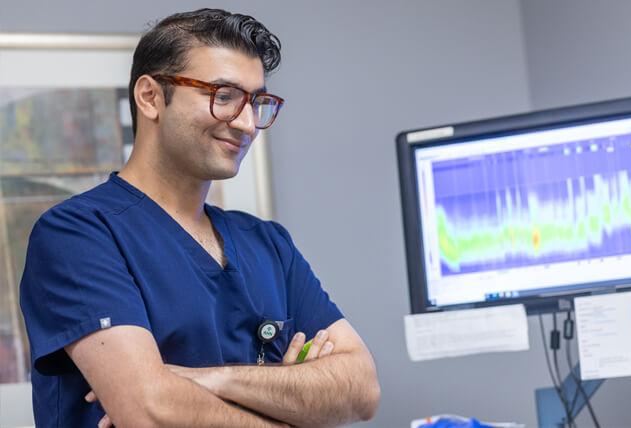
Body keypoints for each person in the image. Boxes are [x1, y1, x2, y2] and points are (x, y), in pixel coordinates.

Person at [19, 8, 380, 428]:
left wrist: (207, 380)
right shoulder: (79, 235)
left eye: (256, 102)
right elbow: (148, 411)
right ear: (150, 97)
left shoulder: (267, 244)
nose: (247, 124)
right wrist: (287, 395)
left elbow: (361, 388)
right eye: (223, 96)